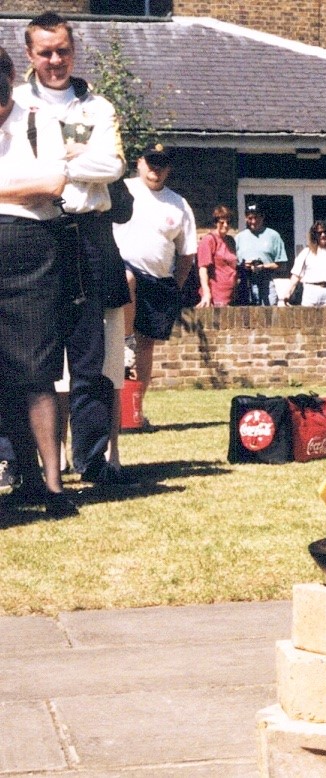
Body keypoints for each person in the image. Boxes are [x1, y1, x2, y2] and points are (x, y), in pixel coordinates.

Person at [15, 11, 133, 487]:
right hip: (35, 234)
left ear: (73, 49)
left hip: (88, 236)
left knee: (90, 357)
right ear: (29, 54)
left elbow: (114, 165)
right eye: (45, 52)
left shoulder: (98, 107)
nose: (55, 60)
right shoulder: (16, 103)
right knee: (28, 357)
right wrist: (77, 156)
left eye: (62, 50)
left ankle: (92, 459)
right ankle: (23, 464)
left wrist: (61, 161)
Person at [0, 43, 76, 516]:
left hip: (31, 249)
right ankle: (21, 472)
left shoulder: (38, 120)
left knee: (35, 368)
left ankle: (52, 485)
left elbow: (52, 183)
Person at [114, 144, 197, 413]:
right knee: (127, 279)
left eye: (161, 164)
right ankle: (126, 341)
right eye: (151, 162)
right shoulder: (122, 190)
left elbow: (186, 253)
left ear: (168, 169)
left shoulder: (178, 203)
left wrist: (177, 286)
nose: (155, 169)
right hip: (123, 270)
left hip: (159, 280)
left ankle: (136, 409)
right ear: (139, 163)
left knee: (146, 346)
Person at [284, 221, 326, 307]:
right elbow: (296, 275)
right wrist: (288, 292)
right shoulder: (307, 252)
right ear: (314, 235)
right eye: (319, 233)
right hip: (310, 293)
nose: (323, 235)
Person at [236, 201, 286, 306]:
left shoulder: (273, 236)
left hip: (267, 283)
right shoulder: (239, 238)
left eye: (257, 217)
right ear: (245, 218)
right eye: (250, 218)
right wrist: (243, 265)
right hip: (246, 283)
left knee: (270, 317)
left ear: (262, 217)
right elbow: (232, 264)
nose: (253, 221)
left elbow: (282, 265)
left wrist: (264, 266)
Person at [196, 204, 237, 307]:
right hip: (216, 295)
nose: (226, 225)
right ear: (215, 222)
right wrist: (206, 294)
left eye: (228, 222)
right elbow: (203, 269)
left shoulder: (231, 241)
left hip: (231, 295)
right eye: (222, 222)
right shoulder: (208, 240)